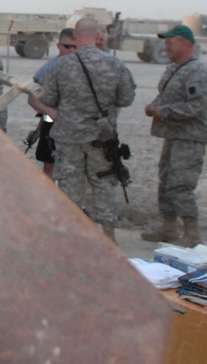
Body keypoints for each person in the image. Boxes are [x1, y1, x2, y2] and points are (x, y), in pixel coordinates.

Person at [40, 17, 136, 241]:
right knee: (103, 185)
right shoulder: (114, 64)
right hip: (101, 138)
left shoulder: (61, 65)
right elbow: (126, 99)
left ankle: (70, 239)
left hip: (68, 139)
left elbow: (48, 98)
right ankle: (109, 239)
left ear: (74, 36)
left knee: (69, 187)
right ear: (98, 36)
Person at [140, 25, 207, 247]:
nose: (166, 46)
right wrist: (155, 106)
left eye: (170, 42)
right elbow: (167, 96)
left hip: (189, 137)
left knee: (181, 183)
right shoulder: (175, 68)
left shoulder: (196, 71)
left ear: (185, 44)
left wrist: (163, 111)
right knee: (166, 180)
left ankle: (191, 232)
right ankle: (168, 227)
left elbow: (197, 106)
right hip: (173, 135)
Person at [28, 28, 77, 178]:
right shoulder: (47, 70)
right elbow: (32, 100)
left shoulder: (83, 67)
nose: (72, 50)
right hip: (52, 124)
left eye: (76, 47)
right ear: (58, 46)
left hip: (77, 125)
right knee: (49, 164)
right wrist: (50, 113)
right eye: (68, 46)